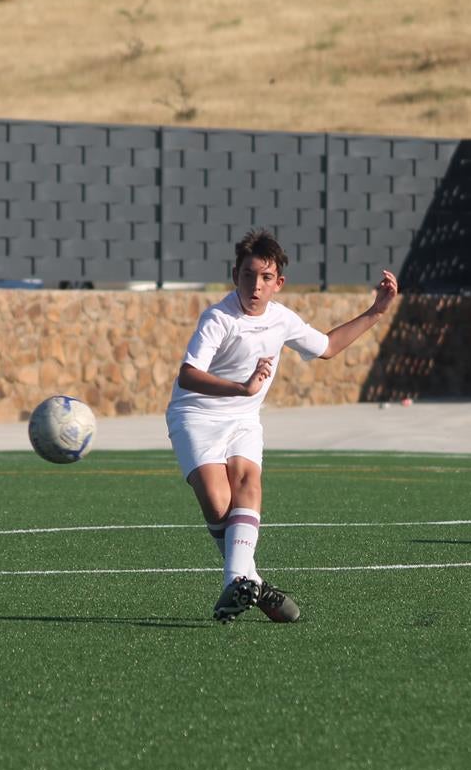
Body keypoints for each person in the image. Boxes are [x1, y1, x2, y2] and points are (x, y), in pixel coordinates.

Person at [165, 228, 397, 623]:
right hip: (196, 415)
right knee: (219, 505)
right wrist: (240, 387)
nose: (256, 285)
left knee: (248, 484)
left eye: (265, 278)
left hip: (243, 419)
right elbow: (188, 375)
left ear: (279, 283)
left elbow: (327, 347)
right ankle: (252, 581)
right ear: (234, 275)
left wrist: (376, 312)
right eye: (248, 275)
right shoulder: (218, 319)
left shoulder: (282, 320)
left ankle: (238, 579)